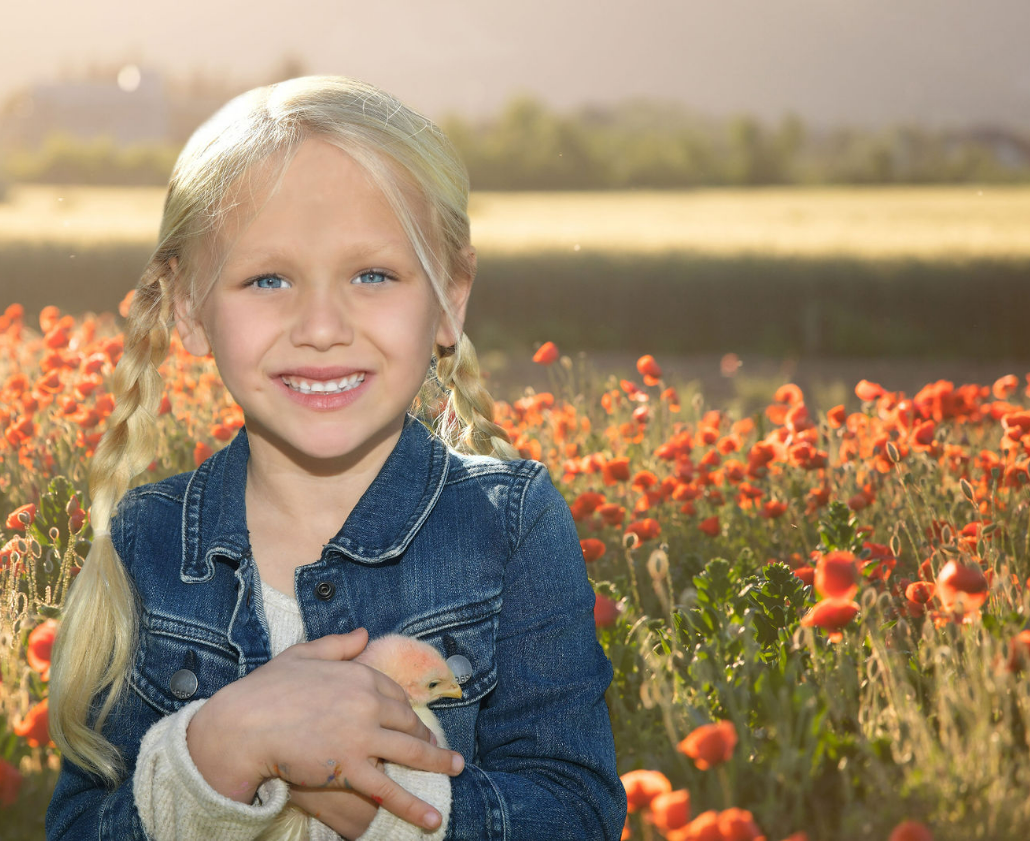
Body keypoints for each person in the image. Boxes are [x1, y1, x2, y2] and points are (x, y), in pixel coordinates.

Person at [44, 74, 627, 841]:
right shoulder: (149, 540)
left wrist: (374, 798)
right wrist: (219, 747)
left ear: (450, 296)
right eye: (269, 278)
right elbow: (82, 825)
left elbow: (576, 811)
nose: (321, 325)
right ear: (189, 307)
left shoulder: (509, 524)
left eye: (372, 275)